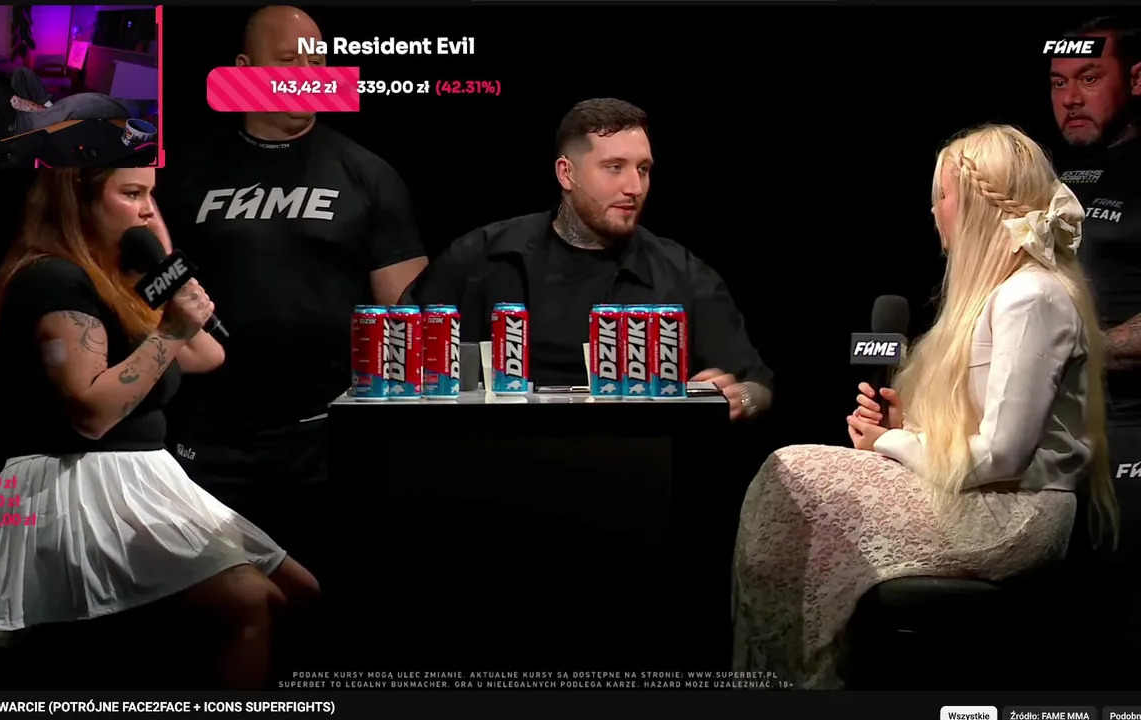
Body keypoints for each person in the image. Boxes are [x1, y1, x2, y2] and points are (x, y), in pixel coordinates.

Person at [730, 125, 1120, 688]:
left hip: (1015, 515)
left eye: (942, 195)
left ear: (977, 204)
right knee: (792, 485)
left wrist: (891, 442)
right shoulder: (1003, 293)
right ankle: (803, 674)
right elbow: (980, 430)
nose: (933, 209)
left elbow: (1004, 456)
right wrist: (906, 428)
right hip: (989, 499)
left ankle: (793, 679)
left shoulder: (1030, 296)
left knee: (795, 473)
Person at [0, 168, 319, 689]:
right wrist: (172, 327)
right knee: (247, 601)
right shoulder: (53, 279)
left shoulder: (115, 281)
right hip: (80, 481)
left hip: (143, 478)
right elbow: (92, 414)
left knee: (301, 592)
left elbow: (206, 354)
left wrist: (163, 264)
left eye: (152, 194)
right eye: (132, 194)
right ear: (79, 202)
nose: (149, 209)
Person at [153, 6, 427, 563]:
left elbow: (408, 314)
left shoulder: (367, 174)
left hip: (326, 437)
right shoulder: (185, 174)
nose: (307, 75)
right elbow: (144, 288)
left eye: (317, 62)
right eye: (288, 61)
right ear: (244, 68)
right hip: (209, 438)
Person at [403, 98, 772, 418]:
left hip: (638, 459)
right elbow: (400, 353)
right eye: (615, 167)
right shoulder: (482, 257)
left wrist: (742, 397)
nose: (634, 187)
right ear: (567, 173)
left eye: (643, 169)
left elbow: (758, 386)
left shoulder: (681, 272)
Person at [1046, 14, 1141, 678]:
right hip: (1042, 429)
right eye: (1058, 82)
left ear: (1135, 79)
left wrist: (1080, 349)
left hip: (1129, 429)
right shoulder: (1039, 175)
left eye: (1088, 77)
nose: (1070, 98)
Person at [0, 31, 150, 168]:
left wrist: (42, 111)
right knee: (75, 104)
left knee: (22, 73)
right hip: (16, 131)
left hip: (19, 112)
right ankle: (141, 108)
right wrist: (49, 115)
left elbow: (14, 99)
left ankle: (51, 106)